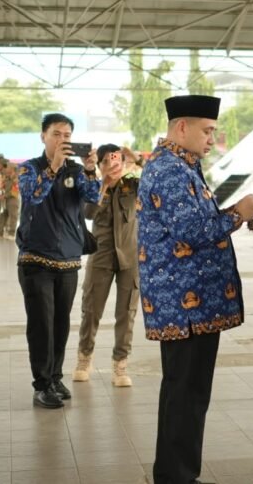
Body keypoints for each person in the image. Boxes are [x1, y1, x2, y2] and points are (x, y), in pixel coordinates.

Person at [137, 94, 253, 484]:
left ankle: (178, 473)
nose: (211, 139)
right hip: (183, 305)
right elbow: (192, 232)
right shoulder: (171, 170)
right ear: (181, 128)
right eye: (207, 131)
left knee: (187, 395)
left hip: (190, 304)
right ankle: (175, 476)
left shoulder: (181, 165)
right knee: (185, 395)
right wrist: (237, 214)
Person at [16, 113, 101, 409]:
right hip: (35, 259)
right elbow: (33, 195)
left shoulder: (76, 170)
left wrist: (91, 170)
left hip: (68, 259)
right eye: (56, 134)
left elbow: (93, 199)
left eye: (67, 135)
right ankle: (41, 384)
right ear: (43, 136)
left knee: (61, 323)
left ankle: (54, 376)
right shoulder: (29, 168)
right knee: (41, 325)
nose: (62, 140)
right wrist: (52, 168)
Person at [73, 144, 141, 387]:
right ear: (100, 165)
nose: (113, 166)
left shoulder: (133, 185)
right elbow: (88, 213)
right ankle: (84, 358)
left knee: (126, 314)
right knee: (91, 310)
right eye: (107, 162)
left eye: (117, 161)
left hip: (130, 258)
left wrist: (138, 160)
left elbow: (157, 185)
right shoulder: (93, 187)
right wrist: (103, 184)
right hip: (101, 255)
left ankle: (120, 365)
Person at [0, 156, 20, 239]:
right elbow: (2, 187)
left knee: (13, 216)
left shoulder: (16, 179)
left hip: (12, 200)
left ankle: (11, 234)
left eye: (7, 167)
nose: (5, 169)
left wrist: (5, 195)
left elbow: (15, 192)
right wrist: (1, 194)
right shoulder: (5, 177)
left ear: (11, 169)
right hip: (4, 199)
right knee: (2, 215)